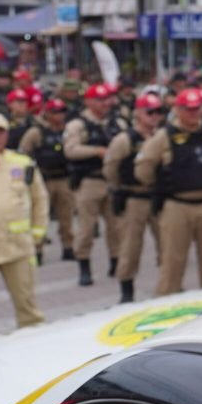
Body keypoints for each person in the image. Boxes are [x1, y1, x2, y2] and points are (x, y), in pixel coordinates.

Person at [135, 88, 202, 296]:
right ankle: (166, 304)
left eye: (196, 109)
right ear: (178, 110)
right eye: (188, 109)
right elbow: (143, 169)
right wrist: (160, 186)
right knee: (173, 262)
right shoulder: (164, 136)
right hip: (178, 205)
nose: (193, 114)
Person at [0, 113, 48, 340]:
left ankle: (32, 351)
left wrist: (37, 234)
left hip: (18, 247)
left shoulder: (23, 164)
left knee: (28, 306)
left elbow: (40, 199)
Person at [64, 83, 126, 286]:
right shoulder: (77, 125)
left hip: (112, 180)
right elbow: (70, 150)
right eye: (99, 100)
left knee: (116, 226)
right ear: (88, 101)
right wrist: (96, 151)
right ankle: (84, 266)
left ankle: (115, 262)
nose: (104, 104)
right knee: (86, 227)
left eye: (106, 99)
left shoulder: (117, 122)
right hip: (89, 180)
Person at [105, 93, 165, 303]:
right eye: (150, 112)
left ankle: (168, 287)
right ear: (138, 113)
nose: (155, 116)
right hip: (134, 198)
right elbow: (110, 168)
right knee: (130, 247)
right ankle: (126, 291)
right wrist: (119, 188)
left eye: (159, 111)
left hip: (158, 197)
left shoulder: (162, 137)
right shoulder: (125, 139)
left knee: (168, 245)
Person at [19, 99, 75, 260]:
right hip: (44, 178)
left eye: (62, 111)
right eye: (56, 112)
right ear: (48, 113)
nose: (60, 115)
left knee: (66, 216)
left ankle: (68, 246)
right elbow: (23, 152)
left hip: (64, 178)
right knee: (40, 215)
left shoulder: (68, 130)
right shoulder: (37, 132)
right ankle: (37, 249)